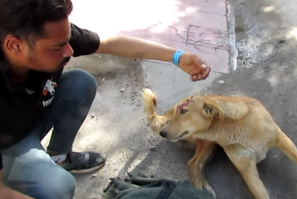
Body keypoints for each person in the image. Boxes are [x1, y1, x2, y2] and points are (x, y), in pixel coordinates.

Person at [0, 0, 211, 199]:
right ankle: (37, 172)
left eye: (67, 41)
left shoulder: (50, 35)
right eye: (57, 48)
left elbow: (110, 43)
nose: (70, 51)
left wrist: (177, 57)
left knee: (80, 82)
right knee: (58, 186)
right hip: (9, 141)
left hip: (28, 115)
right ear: (14, 45)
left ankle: (59, 158)